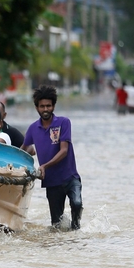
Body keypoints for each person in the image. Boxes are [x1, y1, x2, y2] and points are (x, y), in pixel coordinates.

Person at [21, 85, 83, 230]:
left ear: (54, 106)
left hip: (70, 177)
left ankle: (76, 229)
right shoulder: (32, 129)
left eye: (48, 106)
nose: (45, 109)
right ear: (37, 108)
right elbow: (23, 150)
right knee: (56, 225)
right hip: (52, 182)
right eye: (42, 106)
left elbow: (64, 151)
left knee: (77, 203)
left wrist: (44, 166)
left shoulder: (63, 123)